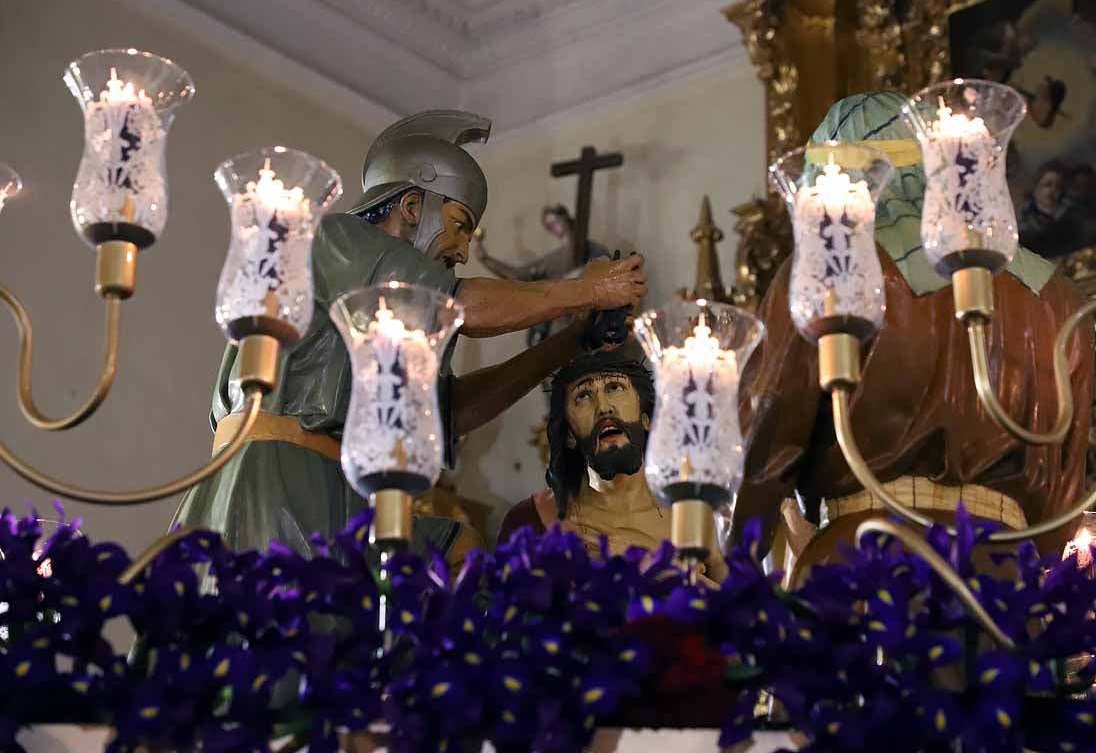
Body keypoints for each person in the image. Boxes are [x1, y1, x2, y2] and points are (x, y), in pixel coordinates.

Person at [173, 111, 648, 570]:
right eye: (460, 224)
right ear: (412, 207)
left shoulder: (399, 321)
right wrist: (587, 290)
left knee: (462, 553)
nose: (463, 251)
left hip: (349, 494)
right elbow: (468, 306)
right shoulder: (342, 237)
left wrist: (570, 341)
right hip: (277, 478)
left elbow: (452, 412)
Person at [736, 92, 1094, 578]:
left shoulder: (831, 271)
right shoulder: (1058, 298)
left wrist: (725, 557)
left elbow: (765, 433)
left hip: (864, 564)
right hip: (1009, 580)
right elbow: (1065, 499)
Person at [498, 349, 727, 581]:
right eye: (583, 397)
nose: (603, 407)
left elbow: (740, 610)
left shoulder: (696, 514)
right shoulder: (533, 522)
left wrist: (671, 574)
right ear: (569, 435)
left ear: (646, 418)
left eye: (615, 388)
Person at [477, 204, 612, 347]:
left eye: (554, 222)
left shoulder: (594, 250)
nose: (552, 228)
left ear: (565, 218)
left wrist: (577, 278)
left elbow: (606, 274)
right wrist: (487, 260)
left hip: (587, 325)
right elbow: (517, 275)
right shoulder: (553, 259)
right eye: (548, 226)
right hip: (558, 327)